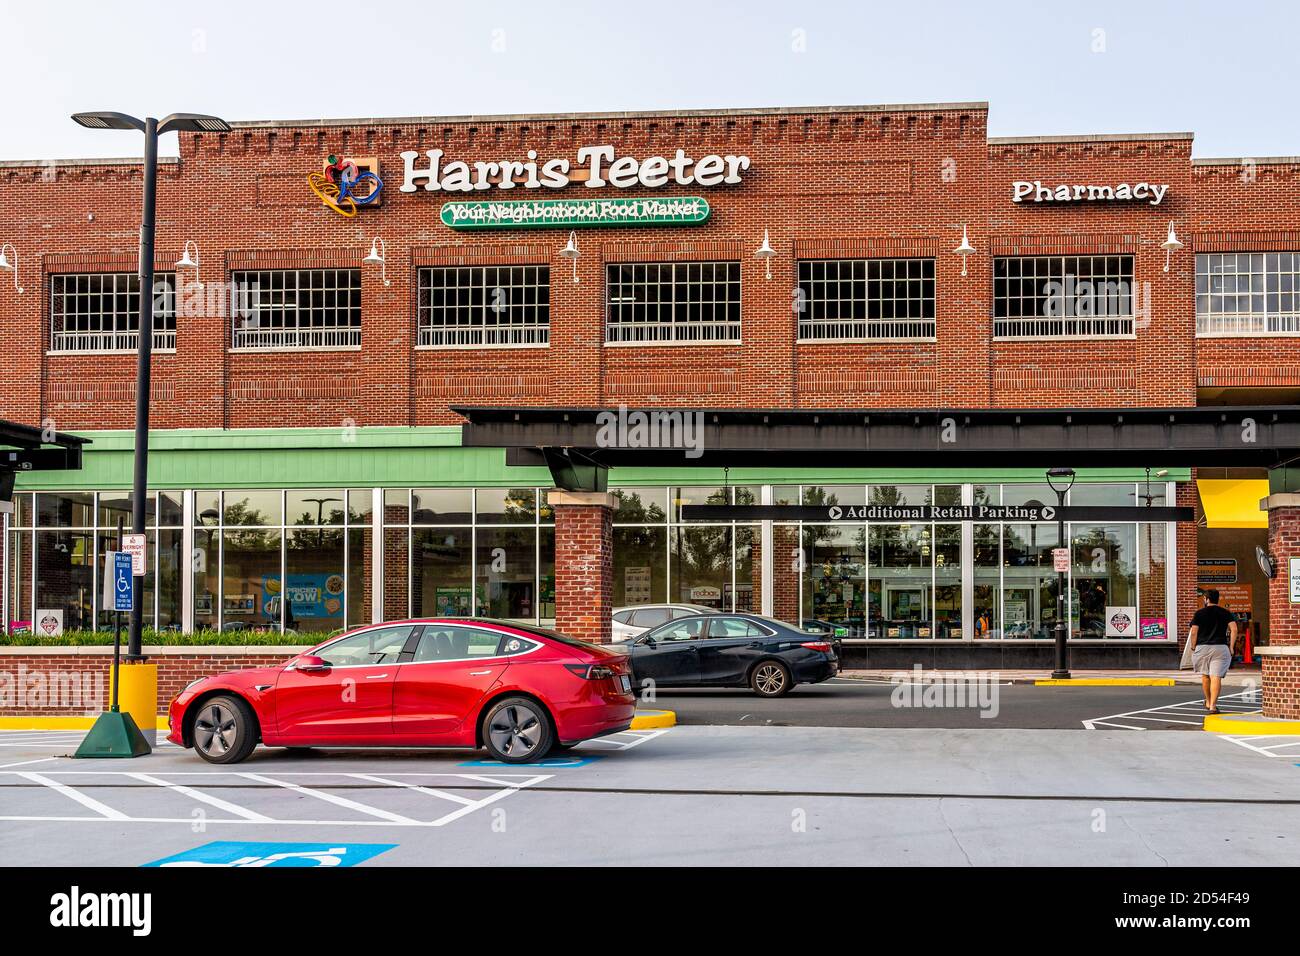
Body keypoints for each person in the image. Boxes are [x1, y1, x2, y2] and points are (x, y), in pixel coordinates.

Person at [1187, 589, 1238, 714]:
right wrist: (1231, 647)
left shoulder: (1199, 613)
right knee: (1216, 677)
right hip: (1220, 648)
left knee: (1205, 676)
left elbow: (1194, 632)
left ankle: (1208, 701)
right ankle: (1213, 706)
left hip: (1203, 647)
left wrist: (1193, 647)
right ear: (1217, 599)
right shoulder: (1225, 613)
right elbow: (1234, 629)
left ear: (1206, 599)